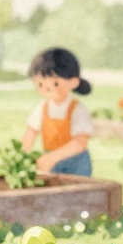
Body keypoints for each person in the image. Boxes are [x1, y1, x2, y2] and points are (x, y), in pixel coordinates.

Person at [21, 47, 95, 176]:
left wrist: (52, 158)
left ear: (74, 82)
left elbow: (80, 143)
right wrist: (21, 156)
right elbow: (31, 132)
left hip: (75, 164)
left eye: (55, 84)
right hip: (50, 162)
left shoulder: (77, 109)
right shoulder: (42, 107)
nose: (48, 88)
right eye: (40, 84)